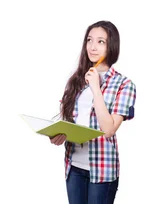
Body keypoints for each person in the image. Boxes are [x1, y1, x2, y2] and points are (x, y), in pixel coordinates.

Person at [50, 20, 137, 204]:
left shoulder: (124, 84)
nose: (92, 46)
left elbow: (109, 129)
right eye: (89, 40)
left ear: (111, 46)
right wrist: (59, 134)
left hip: (102, 170)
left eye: (100, 41)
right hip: (73, 166)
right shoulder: (77, 80)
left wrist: (96, 88)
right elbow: (70, 121)